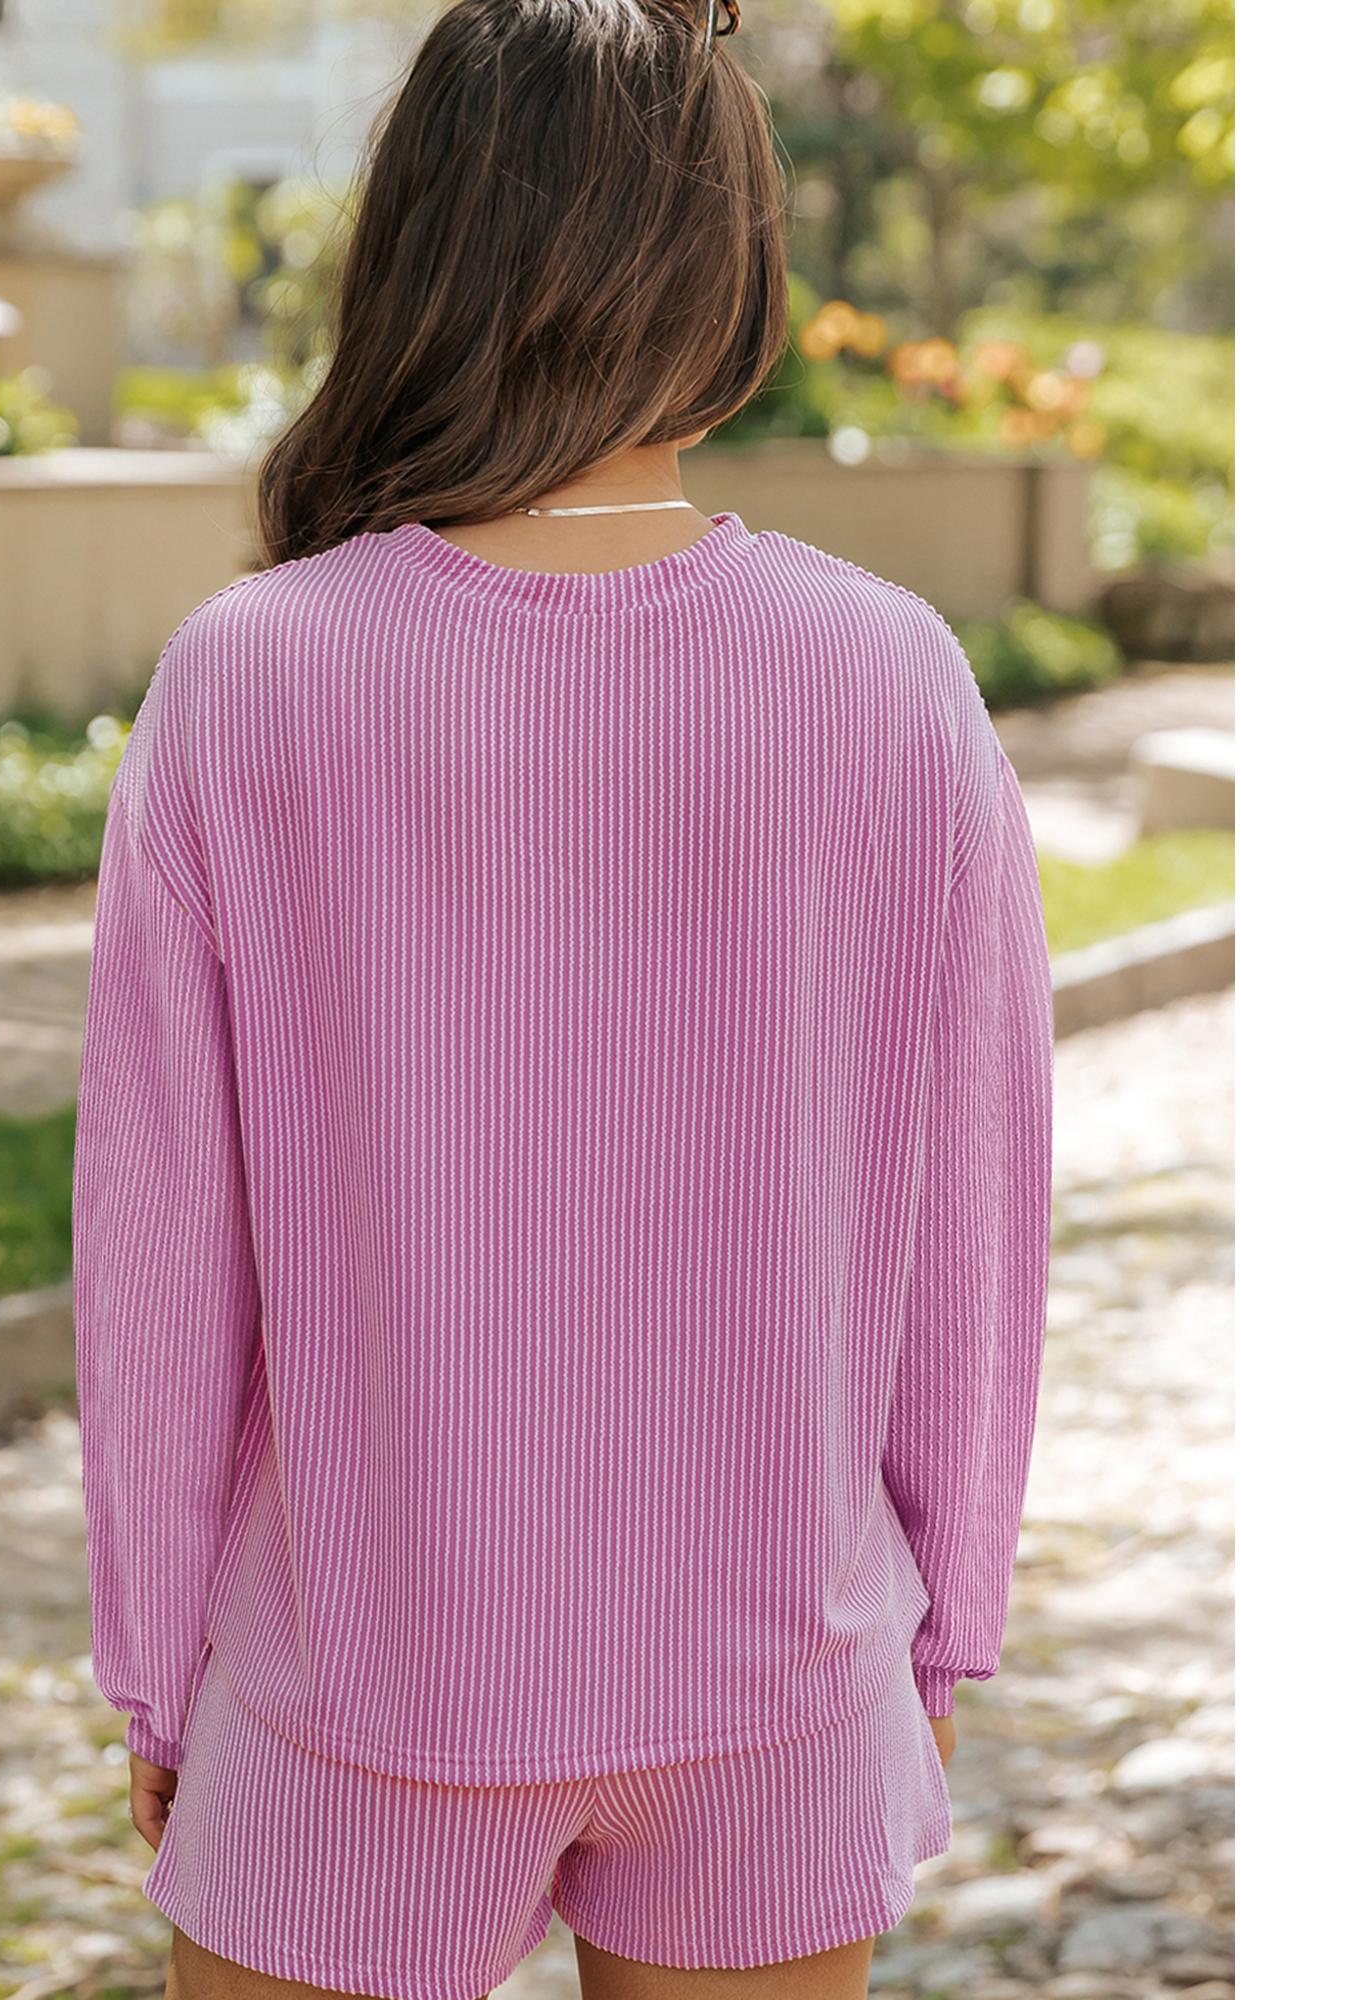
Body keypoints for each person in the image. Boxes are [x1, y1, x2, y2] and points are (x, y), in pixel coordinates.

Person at [70, 3, 1055, 1997]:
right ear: (731, 262)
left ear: (418, 247)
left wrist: (155, 1664)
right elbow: (975, 1214)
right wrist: (944, 1623)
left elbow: (158, 1242)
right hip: (780, 1681)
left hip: (355, 1679)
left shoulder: (251, 677)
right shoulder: (889, 675)